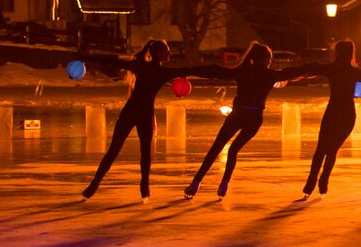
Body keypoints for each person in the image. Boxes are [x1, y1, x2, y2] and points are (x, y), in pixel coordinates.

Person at [80, 40, 210, 203]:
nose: (170, 54)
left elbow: (113, 61)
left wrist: (85, 58)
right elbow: (193, 70)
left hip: (130, 111)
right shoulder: (161, 72)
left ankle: (93, 186)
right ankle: (144, 188)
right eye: (167, 51)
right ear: (158, 54)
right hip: (144, 114)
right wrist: (221, 72)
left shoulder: (141, 66)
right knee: (144, 154)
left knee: (114, 150)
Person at [183, 42, 316, 199]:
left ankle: (196, 183)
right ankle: (224, 184)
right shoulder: (270, 74)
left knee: (216, 148)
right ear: (265, 59)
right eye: (270, 58)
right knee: (233, 150)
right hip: (254, 118)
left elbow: (215, 71)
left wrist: (190, 71)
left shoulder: (243, 72)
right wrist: (318, 68)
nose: (270, 62)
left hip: (238, 114)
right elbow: (293, 72)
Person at [300, 40, 361, 199]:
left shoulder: (332, 69)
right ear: (351, 53)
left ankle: (311, 182)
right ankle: (323, 180)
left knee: (321, 149)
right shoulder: (353, 72)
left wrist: (287, 74)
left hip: (333, 112)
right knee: (331, 150)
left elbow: (311, 68)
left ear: (337, 52)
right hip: (347, 114)